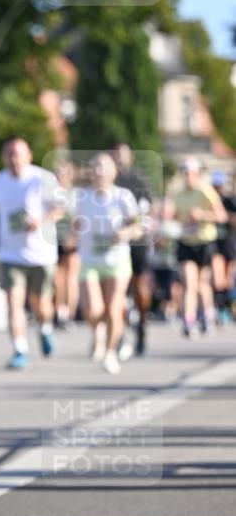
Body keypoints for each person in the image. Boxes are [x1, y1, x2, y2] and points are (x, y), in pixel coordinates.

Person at [0, 137, 62, 369]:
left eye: (18, 154)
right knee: (14, 302)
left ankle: (45, 328)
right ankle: (19, 349)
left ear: (29, 156)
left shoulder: (42, 178)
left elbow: (61, 207)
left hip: (41, 254)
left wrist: (41, 221)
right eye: (9, 155)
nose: (14, 159)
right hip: (10, 254)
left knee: (41, 304)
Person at [74, 153, 141, 375]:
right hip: (90, 259)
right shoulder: (82, 197)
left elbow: (137, 227)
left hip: (117, 260)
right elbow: (74, 225)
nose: (99, 171)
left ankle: (111, 352)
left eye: (104, 167)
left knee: (113, 308)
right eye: (95, 166)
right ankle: (98, 332)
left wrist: (125, 233)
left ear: (114, 172)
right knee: (93, 309)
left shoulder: (123, 197)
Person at [172, 158, 227, 337]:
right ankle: (189, 320)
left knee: (202, 284)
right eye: (184, 173)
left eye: (190, 173)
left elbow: (221, 216)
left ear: (196, 174)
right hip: (186, 242)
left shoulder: (205, 191)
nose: (187, 177)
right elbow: (175, 217)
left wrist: (202, 215)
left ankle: (208, 314)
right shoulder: (177, 194)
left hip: (204, 242)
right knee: (189, 282)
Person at [111, 142, 154, 356]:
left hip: (136, 242)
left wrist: (132, 227)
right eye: (116, 155)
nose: (119, 159)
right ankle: (115, 334)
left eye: (123, 155)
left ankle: (142, 326)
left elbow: (146, 212)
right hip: (112, 244)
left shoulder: (138, 181)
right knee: (114, 290)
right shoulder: (106, 181)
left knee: (139, 285)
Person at [52, 157, 80, 330]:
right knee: (57, 280)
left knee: (71, 279)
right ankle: (59, 313)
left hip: (72, 241)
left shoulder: (76, 195)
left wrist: (74, 237)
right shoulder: (52, 194)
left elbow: (80, 220)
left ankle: (70, 314)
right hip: (55, 241)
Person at [210, 170, 236, 323]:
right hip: (214, 244)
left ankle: (227, 307)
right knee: (217, 278)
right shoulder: (209, 201)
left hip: (228, 243)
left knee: (228, 280)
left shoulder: (229, 201)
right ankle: (219, 308)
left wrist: (226, 216)